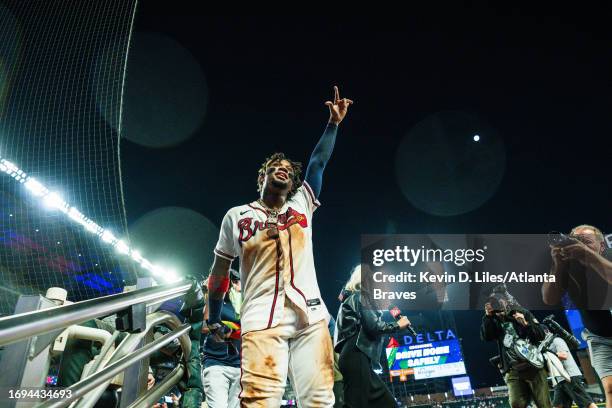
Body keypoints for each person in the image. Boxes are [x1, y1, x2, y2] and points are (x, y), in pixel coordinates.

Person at [207, 86, 353, 407]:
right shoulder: (237, 215)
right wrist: (214, 317)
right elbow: (219, 274)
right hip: (260, 318)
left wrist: (333, 124)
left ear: (292, 181)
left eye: (287, 167)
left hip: (311, 317)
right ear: (262, 178)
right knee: (260, 402)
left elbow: (317, 163)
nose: (282, 168)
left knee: (319, 400)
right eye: (275, 166)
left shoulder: (302, 203)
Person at [542, 224, 612, 408]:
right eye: (576, 242)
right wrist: (557, 265)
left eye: (587, 242)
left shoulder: (609, 257)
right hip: (600, 336)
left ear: (602, 245)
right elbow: (548, 298)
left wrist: (589, 257)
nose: (581, 247)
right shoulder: (568, 268)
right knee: (611, 387)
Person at [334, 265, 412, 408]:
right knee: (355, 405)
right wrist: (397, 325)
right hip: (356, 355)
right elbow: (374, 327)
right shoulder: (360, 297)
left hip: (360, 358)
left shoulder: (354, 298)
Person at [480, 302, 551, 408]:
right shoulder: (494, 320)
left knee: (543, 404)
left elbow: (540, 334)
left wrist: (525, 323)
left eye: (498, 302)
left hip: (533, 365)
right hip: (513, 368)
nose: (497, 306)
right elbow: (487, 337)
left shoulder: (522, 312)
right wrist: (487, 317)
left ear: (505, 301)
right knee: (516, 403)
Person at [202, 269, 242, 408]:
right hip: (216, 363)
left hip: (240, 366)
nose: (239, 286)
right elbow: (205, 324)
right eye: (236, 282)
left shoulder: (244, 303)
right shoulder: (217, 302)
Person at [548, 336, 596, 408]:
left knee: (586, 404)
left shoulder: (556, 340)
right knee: (558, 406)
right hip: (559, 380)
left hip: (570, 376)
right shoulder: (544, 346)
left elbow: (564, 355)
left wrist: (549, 355)